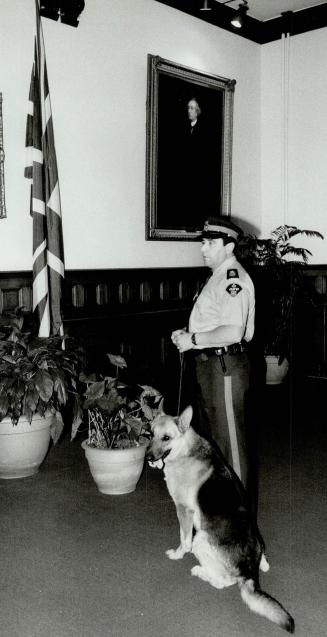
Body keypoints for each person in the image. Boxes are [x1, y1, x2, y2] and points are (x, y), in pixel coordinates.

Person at [171, 216, 256, 509]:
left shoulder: (233, 278)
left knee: (232, 449)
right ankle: (224, 521)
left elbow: (233, 331)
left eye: (210, 242)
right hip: (210, 366)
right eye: (203, 242)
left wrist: (193, 341)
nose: (203, 249)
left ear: (229, 245)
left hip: (226, 369)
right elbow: (214, 323)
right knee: (217, 447)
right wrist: (190, 335)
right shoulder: (217, 275)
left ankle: (245, 533)